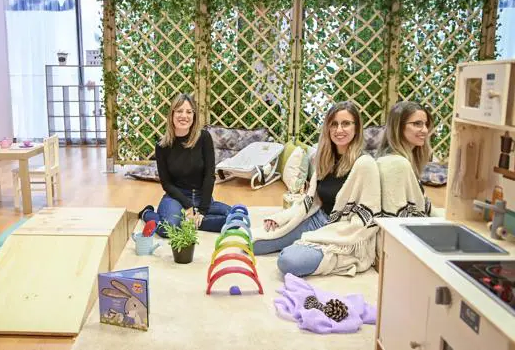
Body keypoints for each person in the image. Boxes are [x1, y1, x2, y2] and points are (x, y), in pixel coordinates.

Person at [252, 101, 382, 277]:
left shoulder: (365, 164)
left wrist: (320, 237)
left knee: (288, 261)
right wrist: (282, 218)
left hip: (340, 233)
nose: (339, 130)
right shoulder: (325, 158)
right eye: (334, 124)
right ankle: (298, 243)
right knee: (255, 244)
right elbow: (309, 201)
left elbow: (366, 221)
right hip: (316, 219)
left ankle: (301, 246)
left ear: (357, 128)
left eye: (346, 123)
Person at [138, 94, 231, 238]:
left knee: (234, 217)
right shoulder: (162, 146)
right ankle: (147, 214)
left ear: (194, 116)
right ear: (172, 114)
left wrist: (202, 211)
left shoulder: (204, 137)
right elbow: (167, 184)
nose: (184, 116)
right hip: (176, 197)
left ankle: (188, 221)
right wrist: (188, 206)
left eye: (189, 112)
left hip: (201, 197)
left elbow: (209, 176)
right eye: (179, 111)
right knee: (168, 229)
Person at [377, 101, 436, 217]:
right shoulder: (396, 164)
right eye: (417, 124)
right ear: (398, 127)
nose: (425, 130)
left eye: (425, 124)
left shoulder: (402, 160)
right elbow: (396, 218)